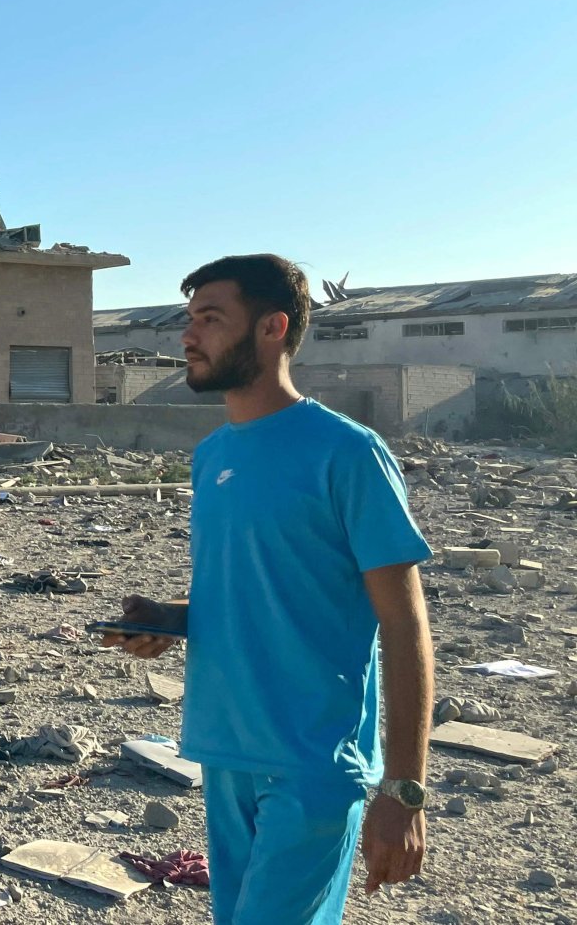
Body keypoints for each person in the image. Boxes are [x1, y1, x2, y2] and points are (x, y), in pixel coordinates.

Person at [102, 254, 434, 924]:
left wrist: (403, 789)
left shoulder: (348, 453)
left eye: (211, 319)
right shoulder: (213, 456)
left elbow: (404, 626)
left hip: (311, 761)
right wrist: (168, 619)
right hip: (224, 753)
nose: (188, 336)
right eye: (189, 320)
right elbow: (256, 596)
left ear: (272, 328)